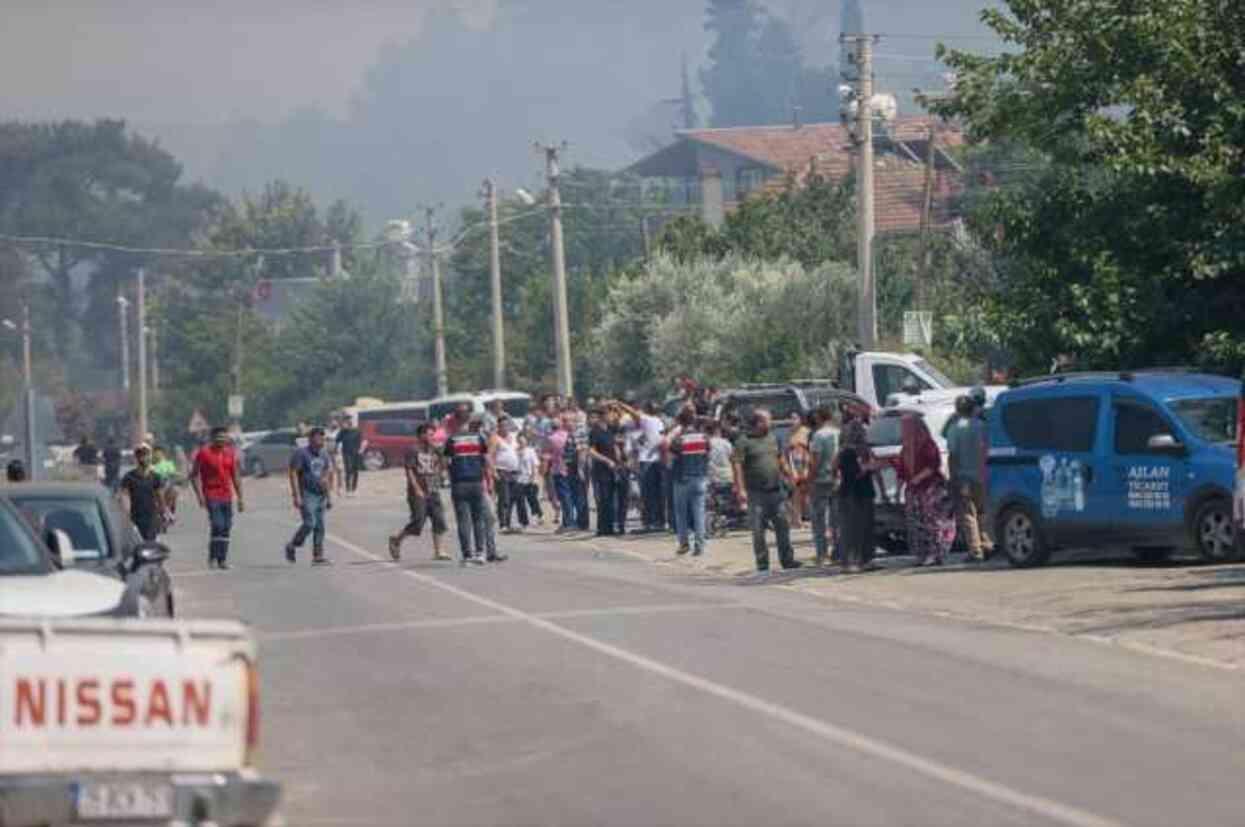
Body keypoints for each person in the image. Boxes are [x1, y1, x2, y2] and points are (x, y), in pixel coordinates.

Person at [732, 409, 801, 573]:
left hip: (776, 491)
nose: (772, 423)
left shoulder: (773, 438)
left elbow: (781, 458)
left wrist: (789, 475)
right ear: (758, 423)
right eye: (768, 420)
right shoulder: (744, 441)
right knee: (758, 530)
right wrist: (740, 489)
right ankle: (762, 564)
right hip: (756, 493)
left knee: (783, 526)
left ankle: (787, 560)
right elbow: (737, 465)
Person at [895, 414, 956, 566]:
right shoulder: (905, 448)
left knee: (932, 522)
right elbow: (901, 471)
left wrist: (918, 478)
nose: (903, 430)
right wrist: (898, 490)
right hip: (913, 491)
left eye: (906, 427)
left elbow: (933, 465)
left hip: (930, 489)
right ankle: (921, 554)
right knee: (915, 523)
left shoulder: (928, 444)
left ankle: (935, 553)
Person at [445, 407, 500, 565]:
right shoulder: (478, 438)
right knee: (478, 519)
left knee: (463, 521)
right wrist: (492, 474)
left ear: (455, 421)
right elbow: (486, 459)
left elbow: (445, 462)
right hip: (476, 482)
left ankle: (467, 555)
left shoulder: (452, 439)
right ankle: (480, 553)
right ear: (468, 420)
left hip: (459, 483)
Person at [389, 423, 451, 561]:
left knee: (439, 520)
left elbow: (443, 464)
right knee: (418, 521)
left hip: (433, 489)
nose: (431, 437)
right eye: (428, 434)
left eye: (432, 435)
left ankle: (438, 551)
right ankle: (397, 540)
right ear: (421, 435)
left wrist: (442, 468)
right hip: (418, 491)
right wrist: (416, 488)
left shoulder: (435, 450)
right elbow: (409, 470)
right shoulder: (413, 450)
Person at [189, 426, 245, 570]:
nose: (222, 440)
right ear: (212, 438)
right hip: (211, 494)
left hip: (226, 495)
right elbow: (194, 475)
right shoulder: (204, 453)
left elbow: (235, 476)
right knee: (218, 525)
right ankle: (213, 556)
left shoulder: (230, 454)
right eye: (219, 437)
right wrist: (199, 496)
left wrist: (240, 498)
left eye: (224, 437)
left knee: (226, 527)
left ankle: (222, 559)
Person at [947, 394, 992, 562]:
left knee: (968, 514)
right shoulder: (982, 426)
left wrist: (952, 478)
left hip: (964, 476)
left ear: (957, 410)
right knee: (983, 511)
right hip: (983, 474)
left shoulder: (955, 428)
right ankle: (987, 544)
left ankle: (975, 550)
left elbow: (953, 455)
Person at [835, 414, 880, 573]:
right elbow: (852, 474)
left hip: (865, 493)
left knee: (866, 528)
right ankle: (850, 562)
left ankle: (867, 559)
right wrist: (869, 467)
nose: (862, 433)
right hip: (851, 494)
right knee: (851, 529)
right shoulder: (847, 452)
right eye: (859, 431)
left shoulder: (865, 451)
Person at [285, 427, 335, 566]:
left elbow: (326, 476)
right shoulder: (301, 453)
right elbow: (293, 473)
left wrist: (329, 496)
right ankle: (293, 544)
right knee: (309, 523)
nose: (321, 440)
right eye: (317, 437)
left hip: (321, 494)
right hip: (307, 493)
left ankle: (318, 556)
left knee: (320, 526)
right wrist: (296, 495)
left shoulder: (324, 455)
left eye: (322, 437)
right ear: (310, 439)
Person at [668, 406, 710, 556]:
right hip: (700, 478)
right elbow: (707, 455)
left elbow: (671, 459)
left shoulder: (679, 440)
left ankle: (684, 544)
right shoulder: (704, 437)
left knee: (681, 514)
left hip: (682, 480)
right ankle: (700, 545)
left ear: (680, 422)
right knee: (699, 512)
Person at [808, 406, 841, 566]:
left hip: (821, 480)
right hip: (837, 479)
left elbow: (815, 461)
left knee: (819, 519)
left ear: (820, 417)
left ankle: (822, 555)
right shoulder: (838, 433)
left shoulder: (818, 436)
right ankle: (839, 552)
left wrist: (809, 480)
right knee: (836, 519)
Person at [119, 444, 165, 542]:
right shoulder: (129, 477)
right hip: (135, 517)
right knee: (137, 543)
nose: (144, 458)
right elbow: (125, 497)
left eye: (146, 455)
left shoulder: (155, 477)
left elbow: (160, 497)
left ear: (150, 457)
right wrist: (126, 515)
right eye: (141, 455)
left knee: (150, 543)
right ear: (137, 458)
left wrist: (164, 513)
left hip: (151, 517)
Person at [587, 408, 620, 537]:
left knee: (611, 498)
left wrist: (617, 457)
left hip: (612, 468)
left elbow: (614, 445)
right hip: (602, 469)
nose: (612, 416)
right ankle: (602, 528)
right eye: (610, 414)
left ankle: (609, 527)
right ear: (603, 416)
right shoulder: (595, 432)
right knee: (604, 498)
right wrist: (606, 460)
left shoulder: (610, 430)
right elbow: (592, 451)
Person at [637, 401, 667, 532]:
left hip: (648, 461)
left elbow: (632, 413)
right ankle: (658, 521)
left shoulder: (647, 419)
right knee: (657, 493)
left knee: (647, 493)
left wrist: (619, 404)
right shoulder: (659, 421)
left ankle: (649, 522)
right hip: (657, 460)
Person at [490, 417, 523, 533]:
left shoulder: (513, 437)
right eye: (502, 425)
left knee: (513, 498)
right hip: (501, 471)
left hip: (514, 472)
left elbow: (519, 448)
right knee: (504, 498)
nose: (505, 428)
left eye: (507, 425)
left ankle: (508, 523)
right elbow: (490, 455)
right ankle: (503, 524)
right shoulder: (495, 438)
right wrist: (493, 471)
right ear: (498, 427)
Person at [784, 412, 812, 528]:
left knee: (806, 493)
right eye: (790, 418)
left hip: (806, 463)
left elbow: (810, 449)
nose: (792, 420)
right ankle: (797, 519)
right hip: (794, 464)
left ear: (800, 419)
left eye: (794, 418)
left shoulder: (806, 432)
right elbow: (786, 451)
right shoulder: (789, 433)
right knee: (796, 492)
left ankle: (809, 517)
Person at [516, 433, 544, 527]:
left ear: (526, 442)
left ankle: (538, 515)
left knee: (532, 499)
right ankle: (523, 521)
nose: (521, 443)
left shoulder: (530, 451)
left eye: (523, 441)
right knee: (520, 501)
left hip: (530, 478)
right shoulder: (516, 451)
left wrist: (533, 477)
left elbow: (535, 464)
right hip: (519, 479)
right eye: (519, 441)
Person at [151, 446, 179, 527]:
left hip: (167, 486)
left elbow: (173, 475)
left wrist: (175, 477)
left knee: (174, 491)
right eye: (155, 453)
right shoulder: (151, 465)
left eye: (159, 453)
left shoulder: (168, 464)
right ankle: (167, 513)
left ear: (163, 454)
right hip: (154, 488)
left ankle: (167, 511)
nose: (157, 455)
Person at [336, 417, 364, 495]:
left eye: (347, 422)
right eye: (344, 422)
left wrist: (360, 450)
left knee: (355, 471)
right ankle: (348, 489)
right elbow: (337, 440)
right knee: (348, 470)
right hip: (346, 453)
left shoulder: (357, 431)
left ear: (350, 423)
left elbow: (361, 441)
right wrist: (341, 431)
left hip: (356, 453)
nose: (345, 424)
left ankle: (354, 489)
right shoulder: (342, 432)